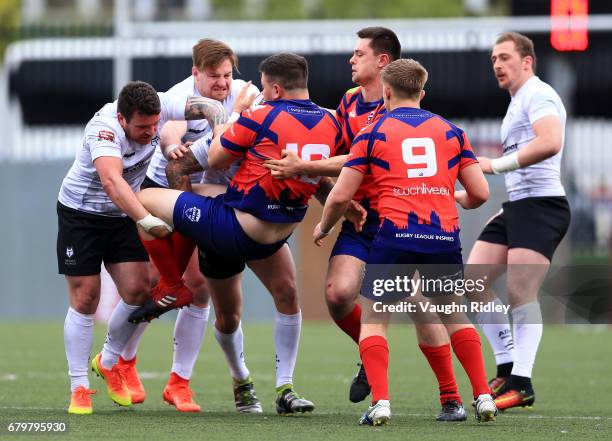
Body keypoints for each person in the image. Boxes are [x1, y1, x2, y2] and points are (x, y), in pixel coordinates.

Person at [265, 27, 475, 422]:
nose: (351, 59)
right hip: (363, 221)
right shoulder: (348, 102)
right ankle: (370, 354)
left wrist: (305, 166)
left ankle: (452, 397)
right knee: (338, 294)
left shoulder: (395, 107)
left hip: (399, 220)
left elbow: (356, 158)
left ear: (382, 62)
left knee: (417, 303)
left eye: (358, 53)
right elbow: (343, 151)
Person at [131, 53, 343, 414]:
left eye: (259, 87)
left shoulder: (256, 115)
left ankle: (285, 389)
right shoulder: (332, 121)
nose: (247, 91)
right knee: (231, 314)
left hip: (248, 229)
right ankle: (241, 379)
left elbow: (218, 155)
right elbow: (184, 161)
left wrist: (236, 114)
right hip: (239, 226)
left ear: (274, 88)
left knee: (141, 198)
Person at [314, 58, 497, 426]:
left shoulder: (372, 133)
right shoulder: (452, 131)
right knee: (454, 315)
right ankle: (483, 396)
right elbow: (480, 192)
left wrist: (323, 226)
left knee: (374, 320)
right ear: (422, 93)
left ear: (386, 92)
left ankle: (380, 402)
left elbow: (338, 197)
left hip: (395, 236)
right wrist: (456, 198)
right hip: (442, 236)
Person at [57, 80, 225, 415]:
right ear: (122, 120)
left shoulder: (163, 105)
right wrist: (146, 220)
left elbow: (214, 107)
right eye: (142, 127)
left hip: (122, 214)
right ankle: (79, 388)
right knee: (86, 296)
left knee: (137, 291)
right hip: (82, 214)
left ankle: (108, 361)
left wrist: (219, 129)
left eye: (154, 124)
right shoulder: (104, 129)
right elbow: (112, 182)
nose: (151, 132)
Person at [116, 39, 263, 413]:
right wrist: (171, 147)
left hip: (216, 198)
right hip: (166, 190)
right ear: (195, 72)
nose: (223, 83)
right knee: (152, 285)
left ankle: (179, 383)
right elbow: (169, 131)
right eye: (214, 76)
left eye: (228, 74)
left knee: (198, 289)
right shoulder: (181, 95)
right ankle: (122, 362)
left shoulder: (249, 95)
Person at [468, 32, 570, 411]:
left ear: (527, 61)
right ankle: (507, 365)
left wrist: (493, 165)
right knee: (474, 279)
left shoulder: (539, 94)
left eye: (505, 57)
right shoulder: (515, 103)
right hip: (520, 206)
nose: (497, 64)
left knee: (520, 294)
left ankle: (522, 384)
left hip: (543, 207)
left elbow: (550, 142)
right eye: (494, 58)